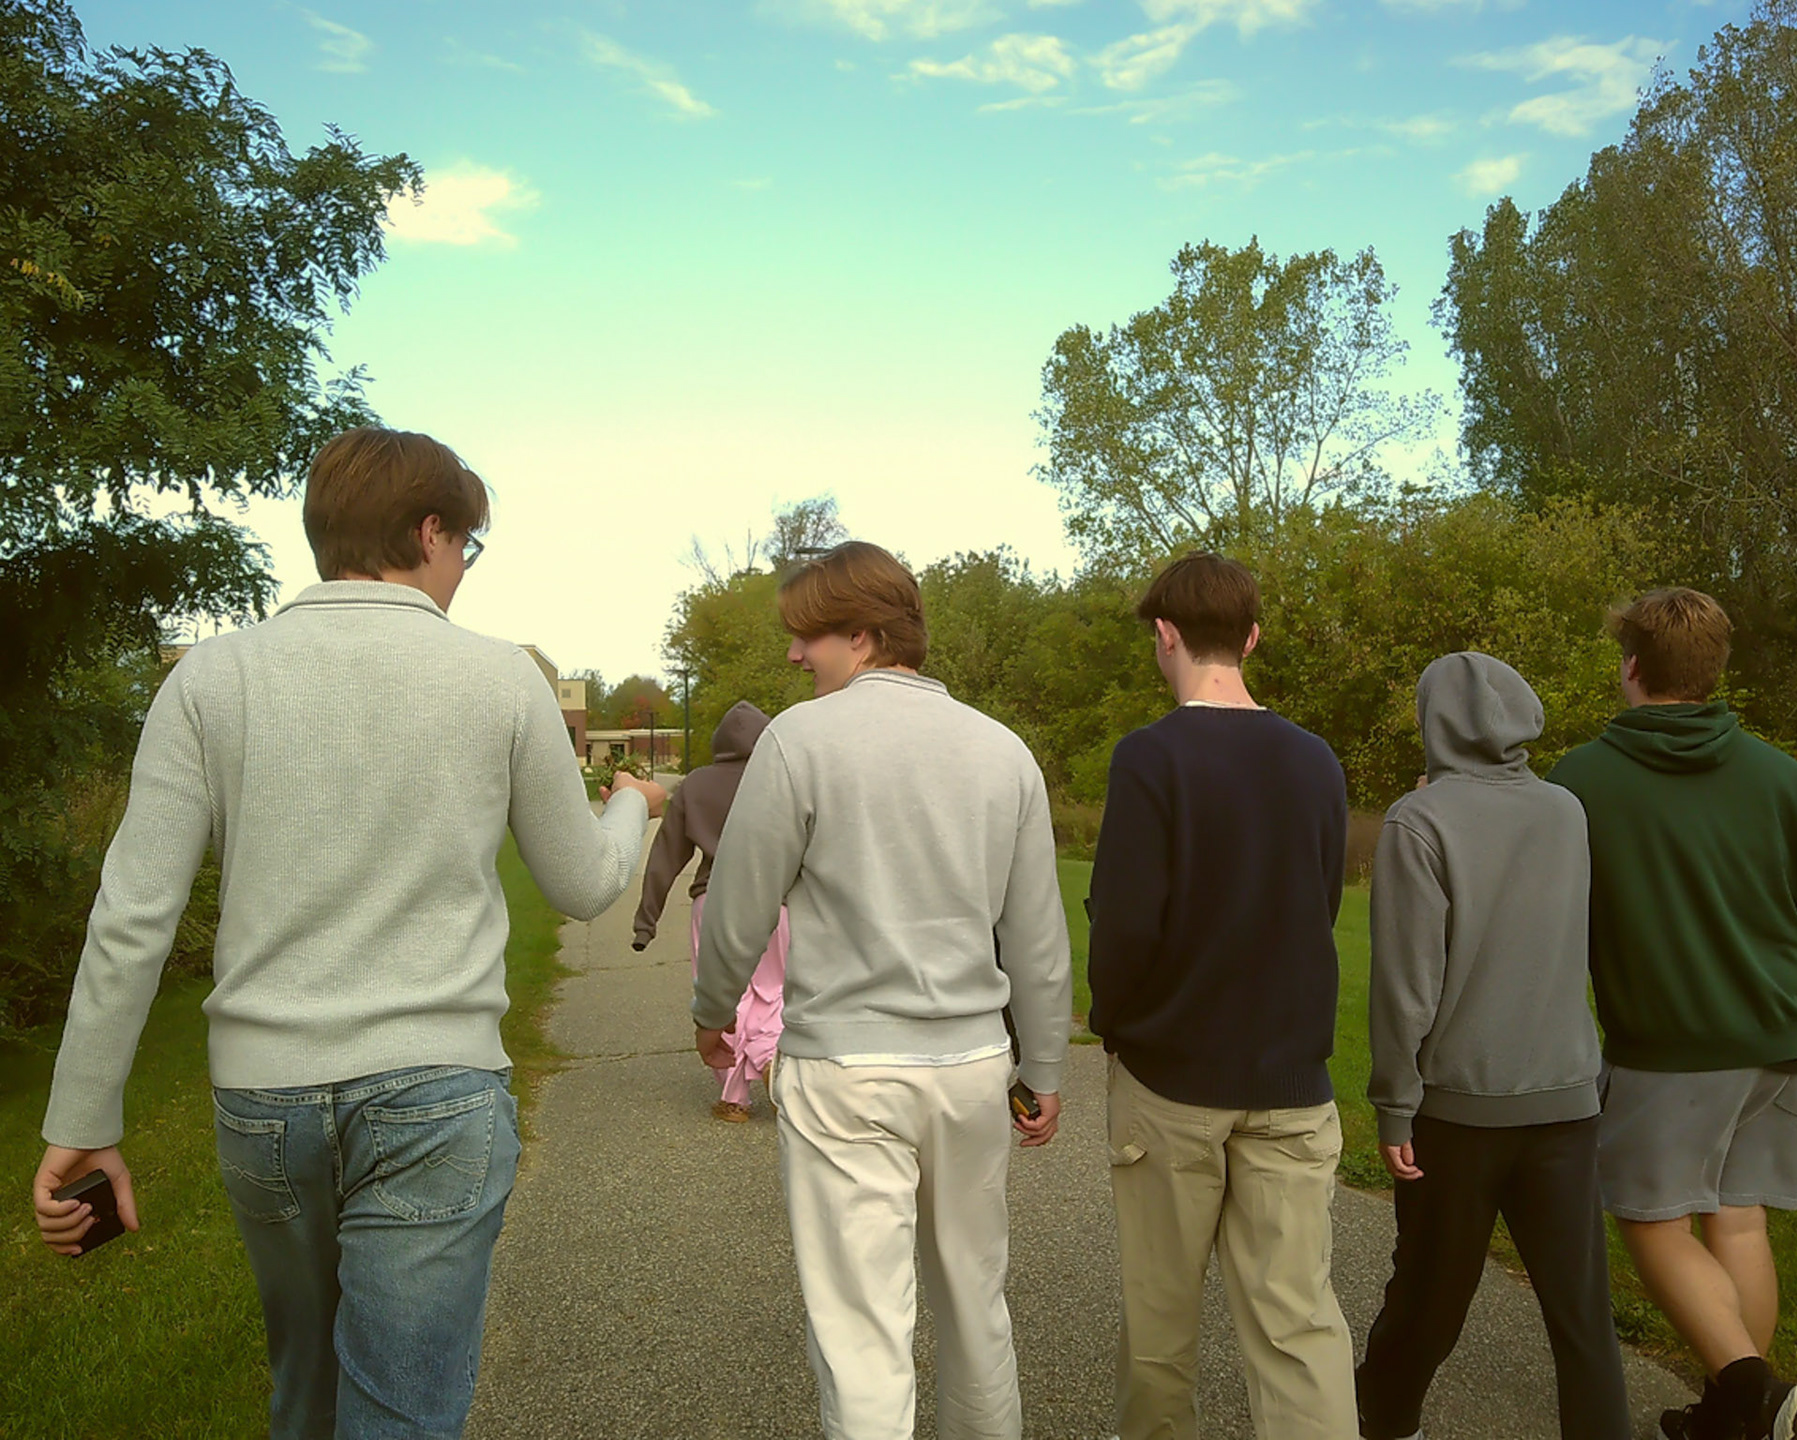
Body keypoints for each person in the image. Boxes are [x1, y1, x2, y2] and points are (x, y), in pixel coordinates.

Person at [31, 426, 666, 1440]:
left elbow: (132, 913)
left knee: (307, 1393)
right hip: (437, 1095)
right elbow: (585, 883)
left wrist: (82, 1118)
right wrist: (631, 804)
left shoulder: (208, 679)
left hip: (264, 1106)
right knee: (403, 1412)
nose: (463, 570)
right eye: (466, 545)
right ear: (428, 530)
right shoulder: (502, 677)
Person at [693, 540, 1072, 1440]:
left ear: (860, 635)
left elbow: (738, 908)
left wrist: (713, 1018)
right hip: (972, 1066)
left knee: (864, 1331)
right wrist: (1045, 1064)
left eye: (808, 637)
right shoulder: (1003, 751)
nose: (794, 656)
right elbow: (1037, 937)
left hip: (845, 1070)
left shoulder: (798, 742)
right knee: (977, 1308)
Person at [1549, 588, 1797, 1440]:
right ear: (1715, 671)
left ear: (1632, 667)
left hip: (1669, 1050)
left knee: (1653, 1219)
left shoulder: (1580, 780)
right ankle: (1740, 1415)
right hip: (1782, 1043)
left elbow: (1554, 915)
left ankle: (1751, 1398)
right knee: (1740, 1217)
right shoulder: (1783, 776)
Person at [1087, 551, 1357, 1440]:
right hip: (1291, 1082)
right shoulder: (1317, 760)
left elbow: (1125, 927)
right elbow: (1319, 903)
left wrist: (1115, 1023)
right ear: (1250, 638)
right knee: (1298, 1324)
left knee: (1161, 1325)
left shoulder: (1151, 759)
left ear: (1164, 635)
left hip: (1174, 1082)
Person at [1356, 652, 1630, 1440]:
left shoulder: (1420, 821)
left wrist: (1395, 1107)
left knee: (1428, 1300)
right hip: (1567, 1101)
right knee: (1584, 1320)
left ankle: (1383, 1419)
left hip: (1457, 1113)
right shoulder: (1566, 810)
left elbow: (1408, 984)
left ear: (1433, 720)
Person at [631, 700, 788, 1122]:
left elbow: (666, 855)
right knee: (773, 988)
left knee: (721, 995)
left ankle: (734, 1099)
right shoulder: (780, 778)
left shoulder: (697, 785)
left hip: (713, 901)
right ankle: (772, 1056)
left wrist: (646, 922)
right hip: (779, 902)